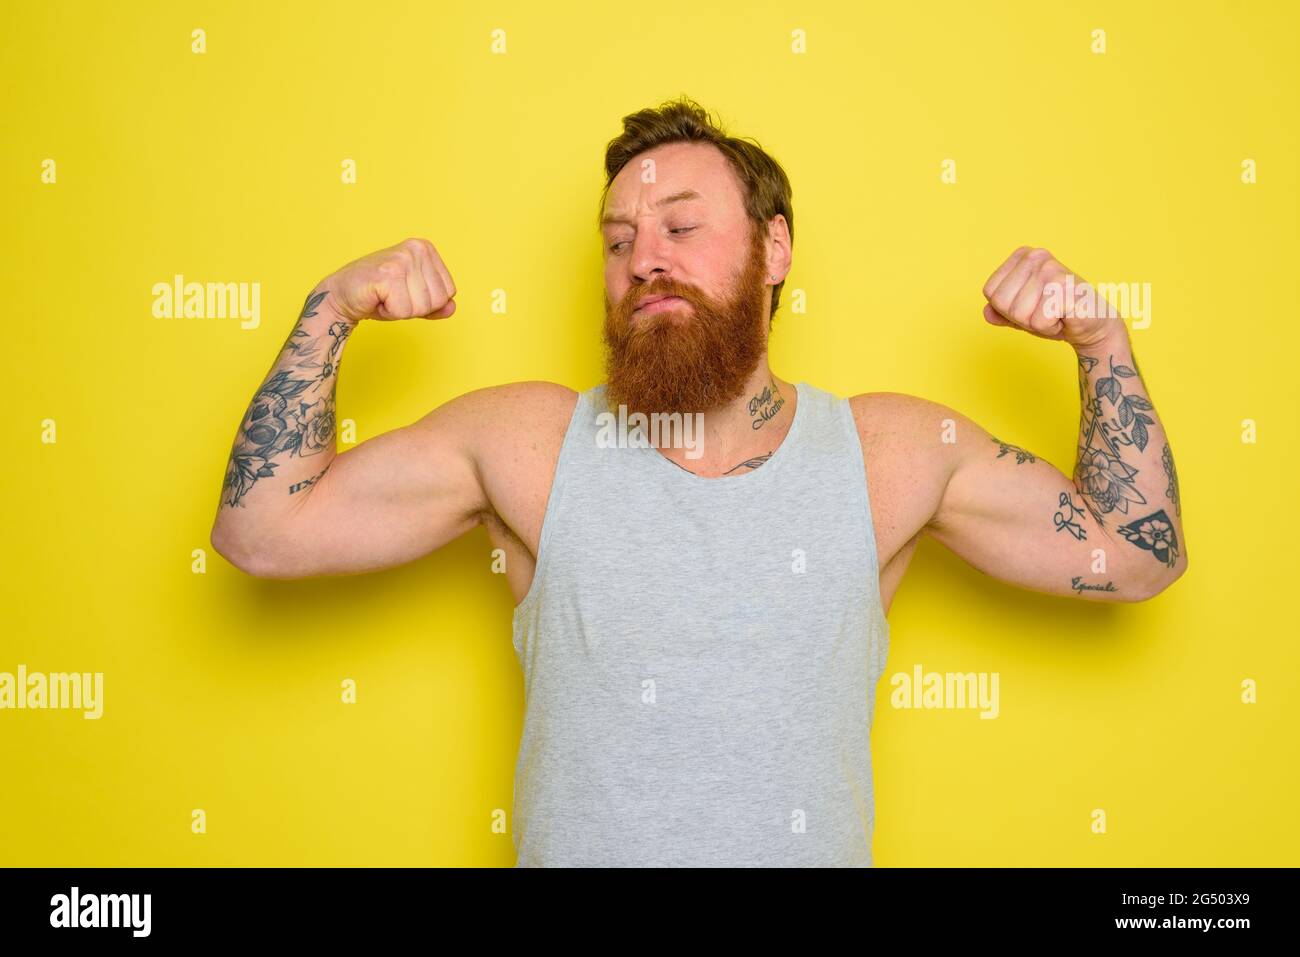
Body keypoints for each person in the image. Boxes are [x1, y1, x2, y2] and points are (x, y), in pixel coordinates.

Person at [209, 96, 1188, 867]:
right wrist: (329, 310)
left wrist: (1102, 342)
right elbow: (263, 533)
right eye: (619, 238)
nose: (645, 261)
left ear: (774, 249)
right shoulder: (526, 442)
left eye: (682, 227)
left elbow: (1136, 557)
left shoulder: (889, 452)